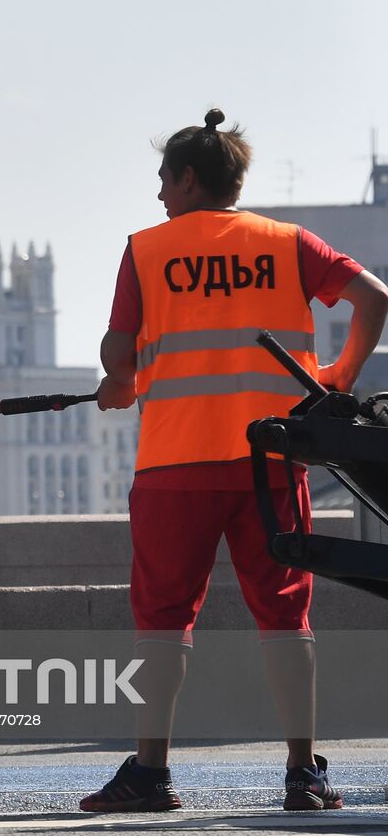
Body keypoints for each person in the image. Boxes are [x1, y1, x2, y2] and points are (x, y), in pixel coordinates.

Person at [82, 109, 388, 813]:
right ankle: (302, 774)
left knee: (163, 618)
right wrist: (339, 376)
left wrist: (119, 385)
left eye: (165, 177)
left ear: (189, 178)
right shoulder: (286, 244)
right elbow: (375, 298)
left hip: (174, 466)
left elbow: (120, 356)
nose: (158, 192)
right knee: (286, 616)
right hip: (270, 462)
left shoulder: (147, 249)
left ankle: (150, 775)